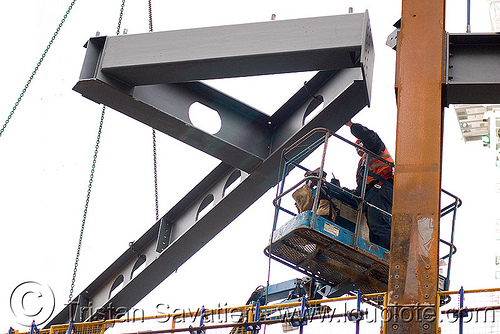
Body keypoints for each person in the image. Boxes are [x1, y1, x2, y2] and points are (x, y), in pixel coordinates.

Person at [345, 120, 393, 250]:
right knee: (374, 227)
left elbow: (369, 137)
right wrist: (341, 190)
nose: (358, 147)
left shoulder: (376, 148)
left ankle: (389, 254)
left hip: (384, 188)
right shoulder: (362, 165)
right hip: (373, 193)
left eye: (360, 143)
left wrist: (351, 125)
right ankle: (379, 252)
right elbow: (361, 189)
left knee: (379, 223)